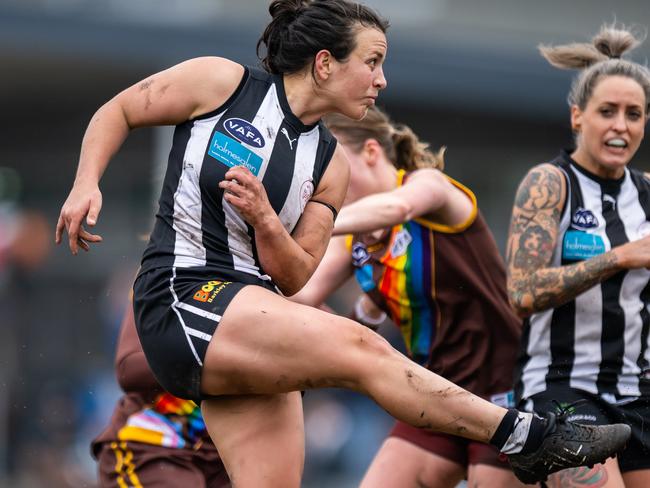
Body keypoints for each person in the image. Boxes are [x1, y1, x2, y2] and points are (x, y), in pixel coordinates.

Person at [55, 1, 630, 486]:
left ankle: (525, 435)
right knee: (364, 351)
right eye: (373, 63)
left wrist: (265, 219)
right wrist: (86, 184)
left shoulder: (330, 164)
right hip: (181, 295)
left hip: (251, 306)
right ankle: (530, 436)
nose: (382, 81)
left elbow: (297, 271)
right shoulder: (219, 81)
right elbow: (121, 109)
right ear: (325, 64)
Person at [291, 106, 526, 487]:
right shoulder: (351, 237)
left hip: (507, 390)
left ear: (370, 152)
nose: (321, 181)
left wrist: (307, 225)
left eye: (329, 165)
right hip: (435, 394)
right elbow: (300, 294)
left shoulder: (429, 187)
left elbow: (396, 207)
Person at [506, 23, 650, 487]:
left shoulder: (647, 194)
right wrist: (618, 257)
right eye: (607, 111)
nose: (620, 126)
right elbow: (522, 293)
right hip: (563, 388)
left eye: (634, 114)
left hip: (638, 391)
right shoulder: (550, 184)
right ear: (577, 117)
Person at [91, 301, 230, 487]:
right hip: (153, 445)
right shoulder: (162, 276)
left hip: (227, 456)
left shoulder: (272, 291)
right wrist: (221, 357)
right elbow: (129, 368)